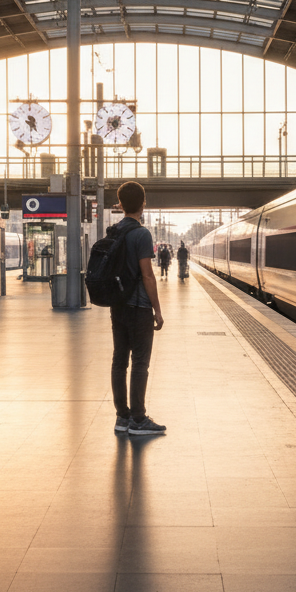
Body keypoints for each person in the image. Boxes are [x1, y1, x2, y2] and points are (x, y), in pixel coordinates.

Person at [110, 182, 166, 436]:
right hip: (139, 307)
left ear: (120, 204)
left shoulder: (114, 231)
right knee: (140, 363)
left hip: (117, 306)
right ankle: (139, 419)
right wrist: (157, 309)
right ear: (143, 203)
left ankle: (122, 417)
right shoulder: (142, 234)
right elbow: (148, 276)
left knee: (119, 361)